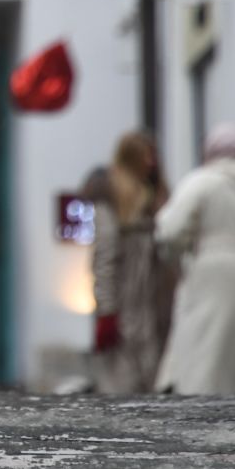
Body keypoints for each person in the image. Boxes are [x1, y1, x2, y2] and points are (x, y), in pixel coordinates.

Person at [154, 123, 235, 394]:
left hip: (212, 274)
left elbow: (171, 231)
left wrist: (176, 256)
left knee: (206, 356)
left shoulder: (203, 180)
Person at [90, 130, 174, 394]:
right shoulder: (112, 199)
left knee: (155, 370)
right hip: (127, 299)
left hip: (158, 300)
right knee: (125, 377)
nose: (151, 163)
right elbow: (105, 256)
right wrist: (107, 311)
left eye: (153, 156)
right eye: (145, 157)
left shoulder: (157, 197)